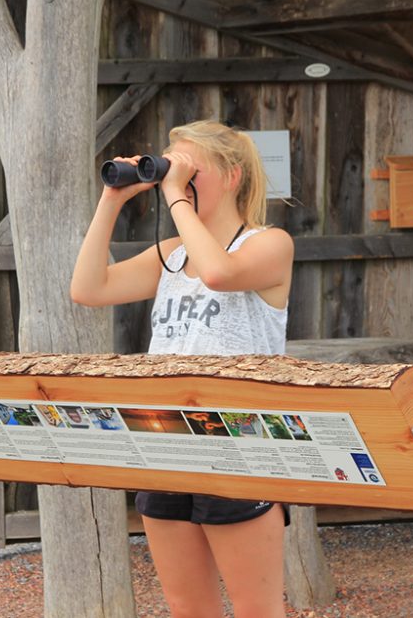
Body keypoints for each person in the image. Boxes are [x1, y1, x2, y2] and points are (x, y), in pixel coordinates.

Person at [71, 120, 294, 618]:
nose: (180, 177)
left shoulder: (269, 244)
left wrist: (175, 196)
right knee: (187, 606)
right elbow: (88, 289)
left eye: (192, 168)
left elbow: (219, 274)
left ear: (232, 176)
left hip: (240, 446)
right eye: (173, 166)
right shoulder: (172, 254)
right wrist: (114, 198)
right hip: (165, 439)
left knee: (256, 608)